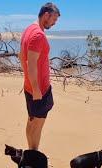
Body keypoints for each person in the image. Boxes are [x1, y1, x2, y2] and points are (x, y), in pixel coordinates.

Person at [19, 2, 60, 150]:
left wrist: (28, 81)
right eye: (53, 19)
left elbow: (20, 56)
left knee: (32, 122)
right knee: (37, 124)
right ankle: (34, 157)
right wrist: (36, 88)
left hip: (30, 86)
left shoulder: (28, 30)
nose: (54, 23)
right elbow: (31, 63)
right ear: (46, 15)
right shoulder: (38, 35)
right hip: (39, 90)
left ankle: (31, 153)